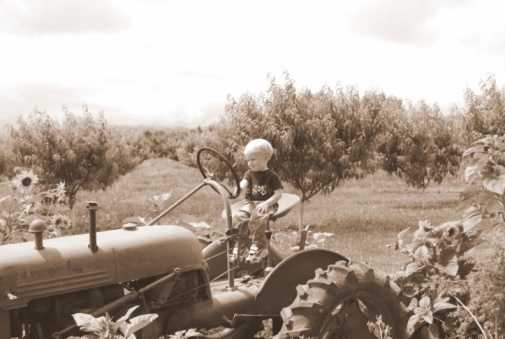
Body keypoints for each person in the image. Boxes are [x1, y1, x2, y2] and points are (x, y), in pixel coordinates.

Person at [232, 139, 283, 263]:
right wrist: (240, 187)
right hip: (250, 203)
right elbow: (244, 183)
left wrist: (267, 203)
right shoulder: (249, 174)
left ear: (266, 157)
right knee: (238, 218)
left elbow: (278, 194)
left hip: (267, 204)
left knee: (258, 218)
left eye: (253, 159)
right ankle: (241, 245)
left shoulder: (272, 176)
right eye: (248, 160)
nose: (250, 163)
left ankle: (260, 246)